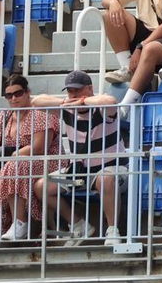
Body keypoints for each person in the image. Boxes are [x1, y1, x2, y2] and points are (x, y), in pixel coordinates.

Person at [31, 68, 125, 245]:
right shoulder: (68, 109)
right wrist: (66, 102)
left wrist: (82, 101)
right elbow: (36, 101)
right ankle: (78, 225)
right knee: (42, 187)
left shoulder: (102, 108)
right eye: (70, 90)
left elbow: (111, 101)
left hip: (112, 168)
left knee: (106, 178)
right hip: (80, 172)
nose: (73, 94)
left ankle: (113, 230)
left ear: (89, 89)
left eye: (78, 90)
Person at [0, 74, 58, 242]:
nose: (13, 98)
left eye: (18, 93)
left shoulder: (41, 113)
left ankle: (20, 223)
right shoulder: (4, 116)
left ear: (28, 92)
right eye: (9, 95)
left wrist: (14, 154)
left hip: (46, 162)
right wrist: (12, 156)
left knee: (15, 167)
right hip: (14, 164)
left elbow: (39, 147)